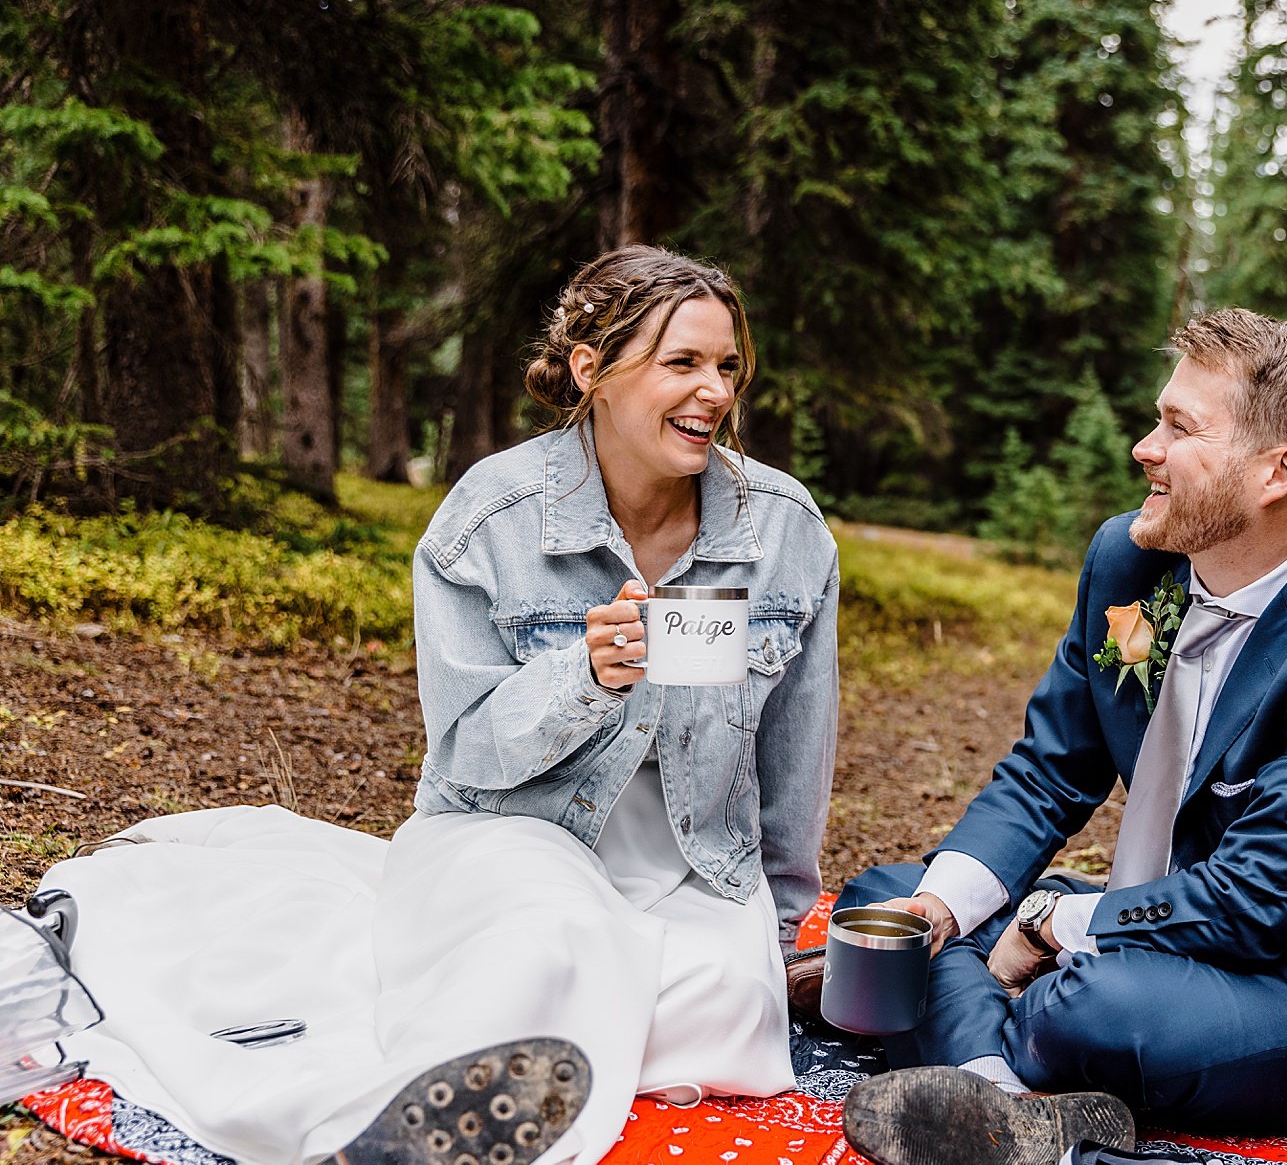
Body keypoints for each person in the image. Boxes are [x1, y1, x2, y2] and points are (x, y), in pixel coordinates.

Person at [31, 246, 839, 1165]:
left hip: (695, 864)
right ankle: (379, 1133)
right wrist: (585, 674)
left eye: (727, 365)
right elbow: (466, 754)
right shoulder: (488, 521)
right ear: (592, 370)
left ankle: (485, 1048)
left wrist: (772, 934)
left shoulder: (783, 529)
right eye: (682, 363)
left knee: (733, 1009)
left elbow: (794, 760)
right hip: (518, 835)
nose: (714, 392)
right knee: (549, 940)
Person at [824, 309, 1287, 1165]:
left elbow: (1253, 901)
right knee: (890, 900)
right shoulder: (1131, 563)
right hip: (1173, 912)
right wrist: (938, 909)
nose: (1143, 448)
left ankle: (975, 1039)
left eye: (1179, 428)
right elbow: (1050, 768)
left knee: (1086, 1005)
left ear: (1277, 472)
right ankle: (996, 1098)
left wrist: (1045, 925)